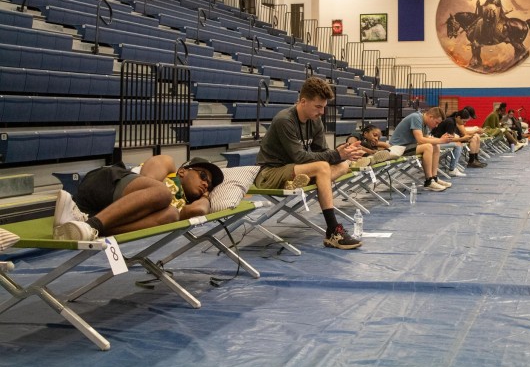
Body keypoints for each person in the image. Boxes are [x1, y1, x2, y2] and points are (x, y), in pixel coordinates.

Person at [254, 76, 364, 250]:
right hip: (270, 173)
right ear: (303, 101)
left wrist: (343, 154)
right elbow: (300, 157)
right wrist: (335, 154)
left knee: (344, 165)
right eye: (318, 107)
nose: (321, 112)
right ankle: (333, 231)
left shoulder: (315, 120)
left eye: (323, 107)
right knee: (322, 167)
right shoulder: (285, 120)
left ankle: (306, 180)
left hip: (295, 170)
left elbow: (321, 152)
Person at [53, 155, 225, 240]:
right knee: (162, 193)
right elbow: (150, 177)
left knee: (171, 215)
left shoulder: (183, 205)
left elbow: (199, 210)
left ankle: (85, 229)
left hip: (104, 214)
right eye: (203, 176)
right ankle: (90, 226)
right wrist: (156, 197)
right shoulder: (170, 168)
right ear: (183, 171)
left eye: (208, 186)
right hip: (106, 183)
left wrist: (207, 196)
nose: (205, 184)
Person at [389, 107, 454, 191]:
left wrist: (440, 140)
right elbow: (420, 139)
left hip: (408, 146)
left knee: (436, 145)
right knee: (428, 147)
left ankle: (434, 178)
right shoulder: (416, 118)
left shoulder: (424, 122)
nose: (436, 126)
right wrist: (441, 140)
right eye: (436, 123)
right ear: (431, 117)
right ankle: (429, 181)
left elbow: (427, 138)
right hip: (398, 147)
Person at [431, 109, 478, 176]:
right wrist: (462, 139)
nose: (464, 124)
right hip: (436, 142)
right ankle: (452, 169)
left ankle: (454, 167)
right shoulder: (450, 122)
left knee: (459, 143)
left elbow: (451, 137)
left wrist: (462, 138)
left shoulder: (452, 121)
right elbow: (448, 139)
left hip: (438, 140)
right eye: (464, 121)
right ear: (458, 117)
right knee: (458, 145)